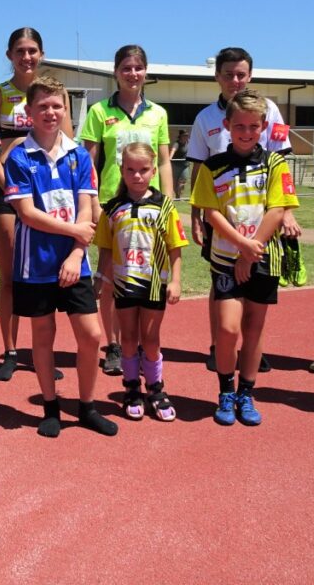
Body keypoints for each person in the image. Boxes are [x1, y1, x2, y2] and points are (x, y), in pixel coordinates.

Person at [4, 75, 118, 437]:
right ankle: (50, 407)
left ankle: (86, 406)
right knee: (43, 335)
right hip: (34, 264)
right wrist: (75, 233)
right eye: (43, 106)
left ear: (65, 110)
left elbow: (87, 208)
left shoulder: (79, 155)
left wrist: (76, 254)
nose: (51, 112)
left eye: (57, 106)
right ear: (29, 112)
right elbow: (27, 213)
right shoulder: (19, 157)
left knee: (91, 335)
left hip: (75, 262)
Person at [186, 47, 300, 373]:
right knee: (220, 281)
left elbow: (281, 162)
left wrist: (287, 212)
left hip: (260, 216)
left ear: (249, 75)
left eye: (241, 74)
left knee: (255, 286)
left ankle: (251, 348)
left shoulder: (270, 110)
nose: (235, 80)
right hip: (221, 216)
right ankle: (218, 345)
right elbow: (198, 170)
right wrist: (196, 216)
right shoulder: (205, 118)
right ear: (217, 76)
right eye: (228, 74)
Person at [0, 28, 72, 382]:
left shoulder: (56, 92)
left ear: (42, 54)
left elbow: (68, 142)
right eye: (20, 51)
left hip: (46, 197)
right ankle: (10, 350)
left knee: (42, 276)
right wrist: (13, 189)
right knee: (10, 277)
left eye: (33, 50)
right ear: (9, 55)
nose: (27, 57)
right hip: (9, 194)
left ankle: (40, 352)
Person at [80, 44, 173, 375]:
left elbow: (163, 160)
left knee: (142, 276)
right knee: (108, 279)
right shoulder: (98, 112)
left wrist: (169, 201)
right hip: (111, 203)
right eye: (126, 68)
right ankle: (115, 346)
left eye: (138, 68)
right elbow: (88, 159)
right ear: (116, 72)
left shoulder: (158, 114)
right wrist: (91, 200)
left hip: (150, 208)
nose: (132, 74)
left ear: (146, 71)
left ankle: (140, 344)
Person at [95, 142, 188, 421]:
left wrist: (177, 280)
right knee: (128, 339)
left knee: (150, 340)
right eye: (131, 170)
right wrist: (100, 279)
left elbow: (175, 246)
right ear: (122, 171)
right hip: (124, 285)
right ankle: (132, 388)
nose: (137, 176)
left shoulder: (164, 206)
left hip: (154, 284)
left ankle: (156, 389)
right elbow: (106, 249)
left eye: (144, 170)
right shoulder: (112, 208)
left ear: (153, 171)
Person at [171, 129, 190, 199]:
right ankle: (177, 194)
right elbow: (173, 150)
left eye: (187, 135)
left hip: (185, 165)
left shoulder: (188, 142)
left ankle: (179, 194)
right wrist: (169, 158)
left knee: (183, 180)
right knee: (175, 181)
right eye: (184, 135)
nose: (186, 137)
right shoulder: (177, 143)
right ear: (180, 136)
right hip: (176, 164)